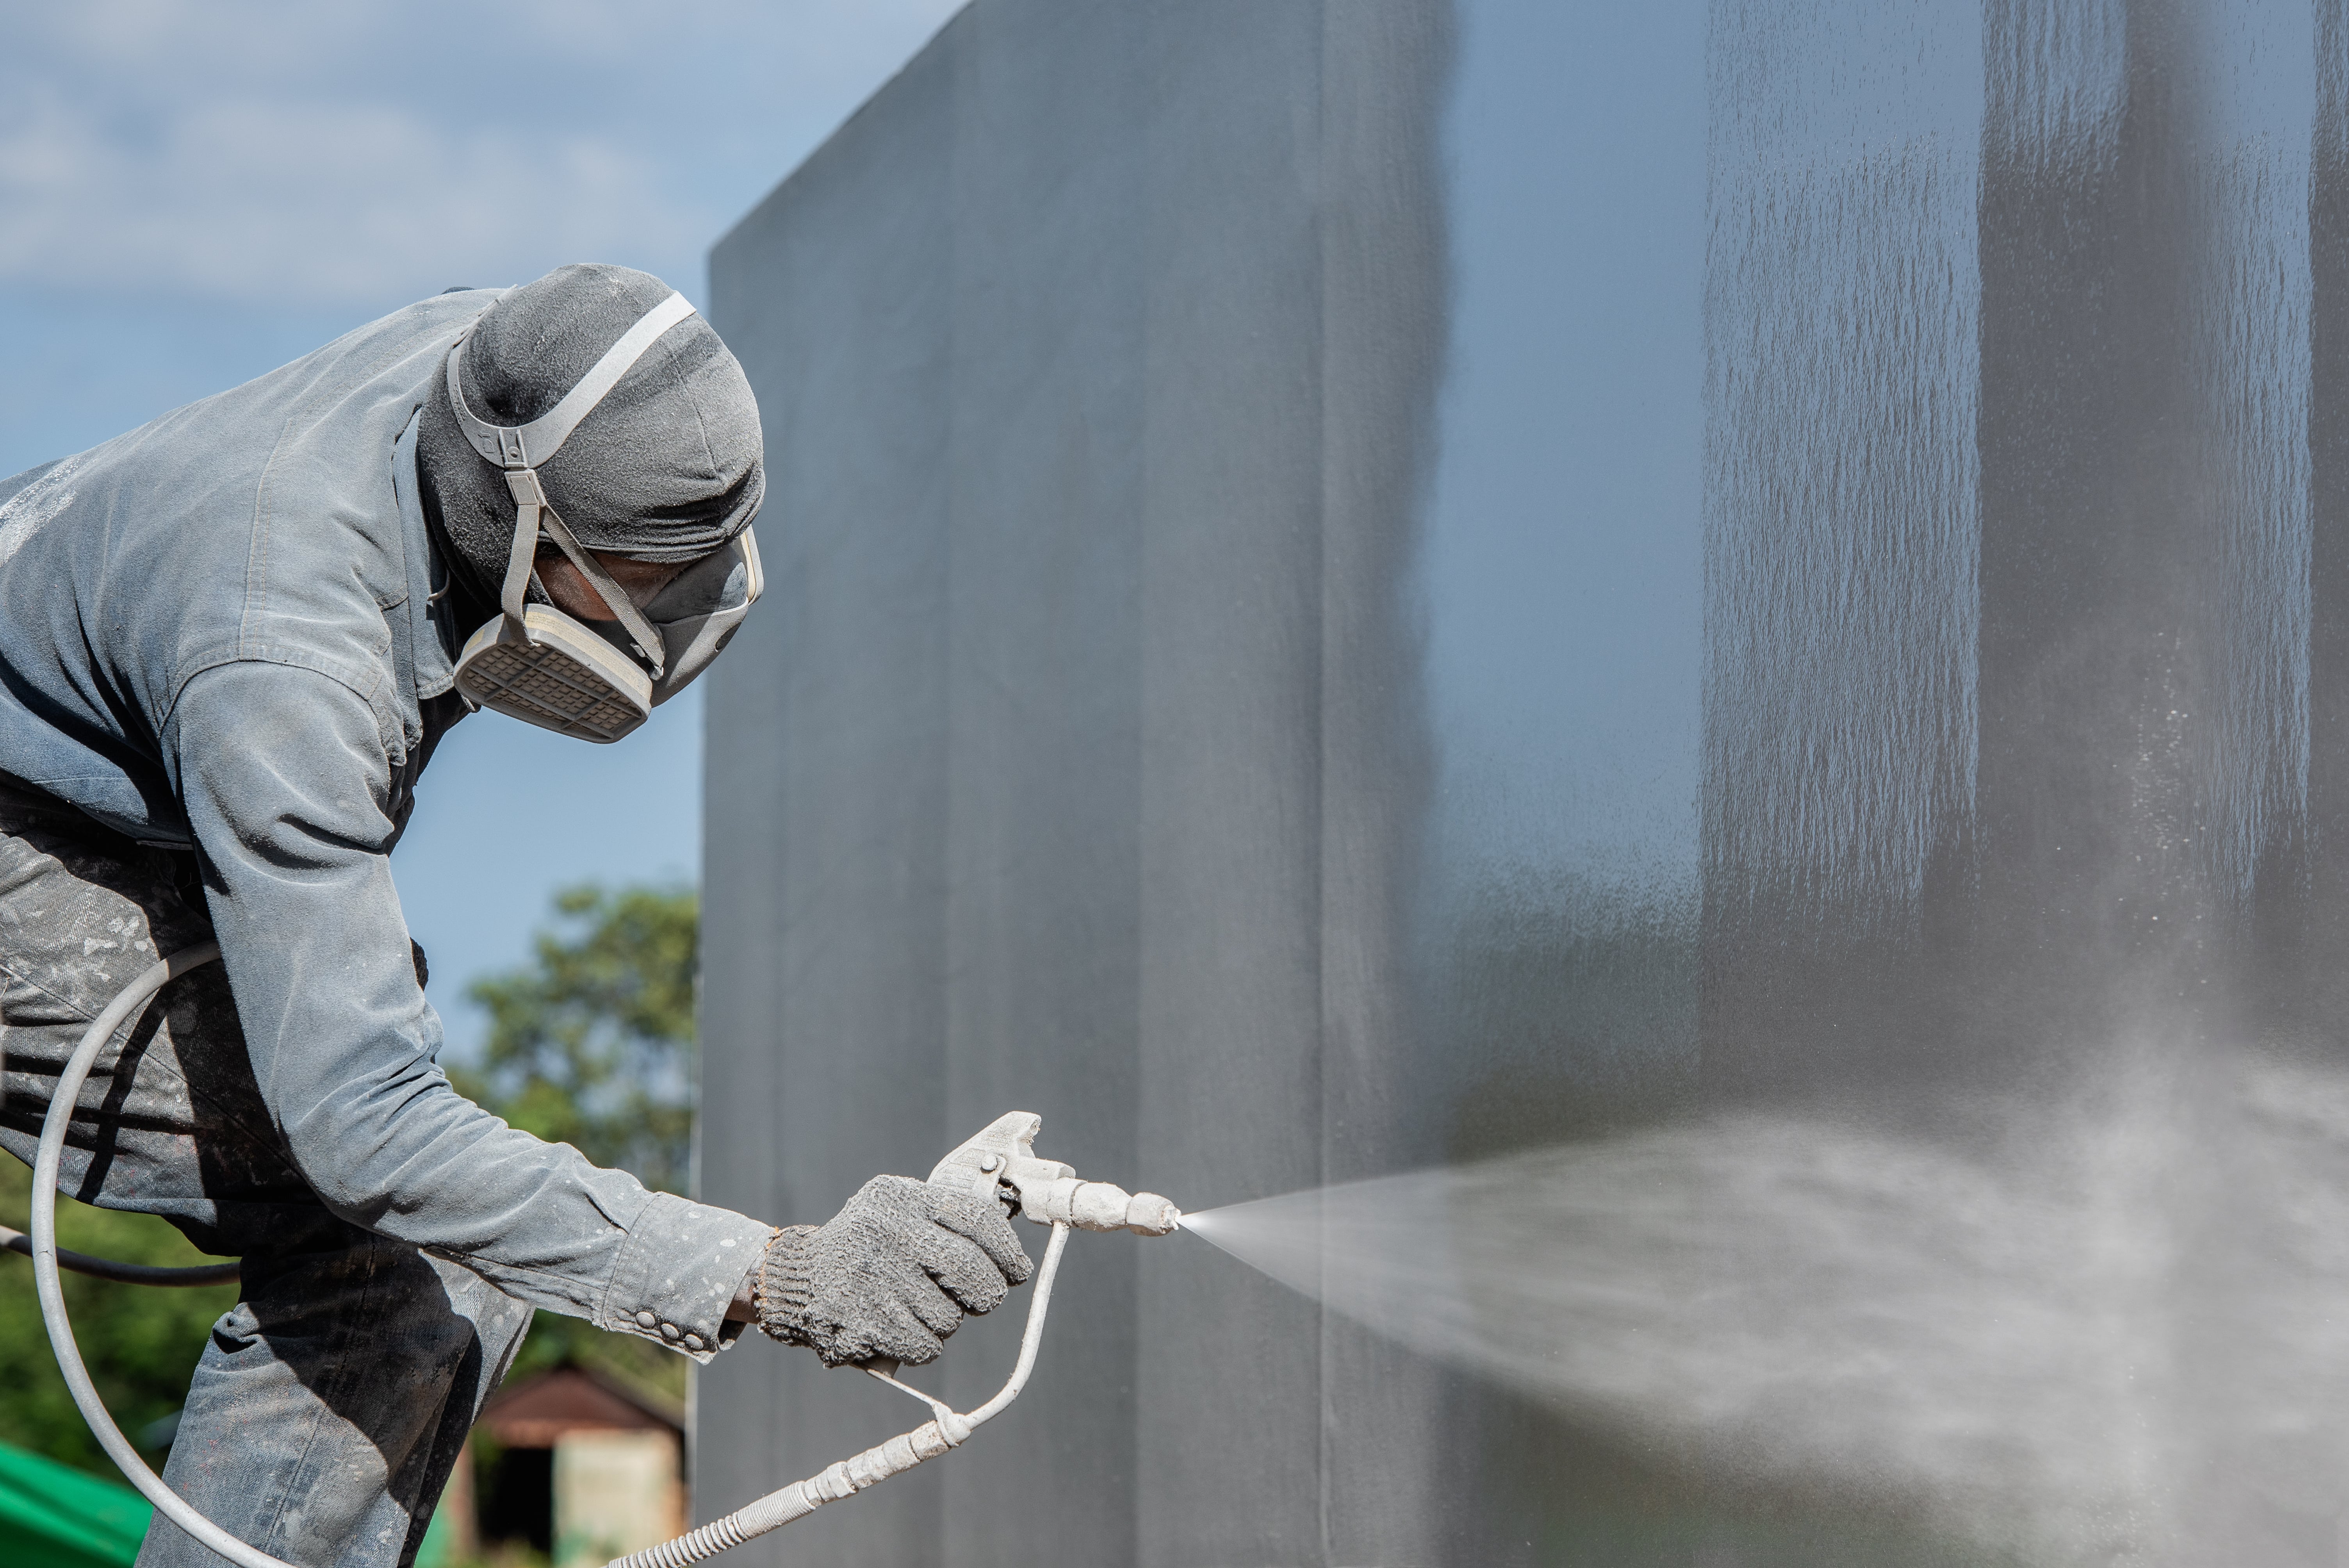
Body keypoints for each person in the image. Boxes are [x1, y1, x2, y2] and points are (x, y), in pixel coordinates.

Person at [0, 264, 1028, 1568]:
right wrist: (771, 1272)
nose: (672, 618)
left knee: (449, 1216)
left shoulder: (517, 360)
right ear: (514, 515)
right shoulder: (286, 656)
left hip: (80, 765)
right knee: (394, 1270)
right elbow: (365, 1129)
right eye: (642, 581)